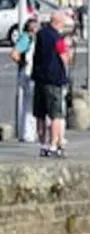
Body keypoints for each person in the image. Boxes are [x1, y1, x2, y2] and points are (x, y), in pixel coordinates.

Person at [31, 11, 72, 157]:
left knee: (40, 114)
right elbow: (64, 57)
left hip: (39, 78)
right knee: (56, 114)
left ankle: (42, 144)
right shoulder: (57, 38)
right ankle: (54, 144)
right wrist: (69, 49)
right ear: (59, 22)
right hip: (54, 78)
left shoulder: (41, 34)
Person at [9, 14, 37, 144]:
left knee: (27, 103)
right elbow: (14, 54)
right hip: (27, 74)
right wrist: (23, 63)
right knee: (28, 104)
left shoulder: (28, 38)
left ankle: (27, 132)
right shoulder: (26, 38)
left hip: (28, 73)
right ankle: (27, 133)